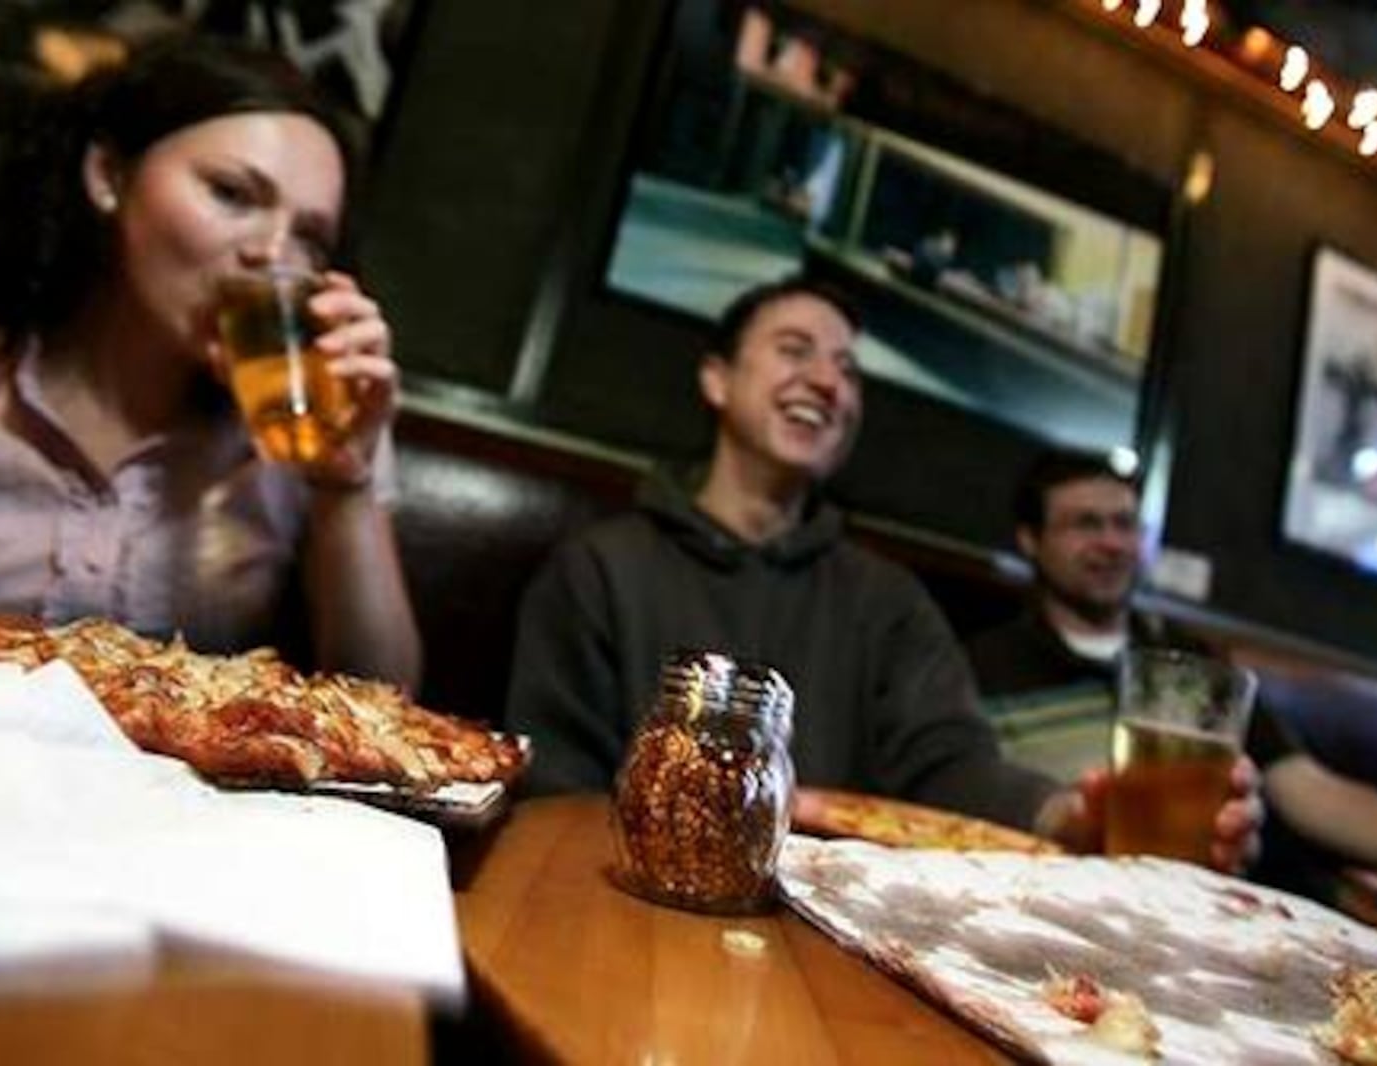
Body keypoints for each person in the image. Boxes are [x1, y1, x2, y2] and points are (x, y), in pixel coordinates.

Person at [506, 276, 1259, 868]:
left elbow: (951, 767)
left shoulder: (885, 599)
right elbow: (552, 794)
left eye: (846, 368)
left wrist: (1075, 815)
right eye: (795, 349)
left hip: (836, 932)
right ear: (716, 379)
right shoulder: (602, 568)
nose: (830, 383)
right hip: (627, 901)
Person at [0, 36, 421, 690]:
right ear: (109, 176)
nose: (273, 253)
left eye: (309, 236)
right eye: (231, 193)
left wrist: (346, 486)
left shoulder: (314, 412)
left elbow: (383, 698)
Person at [966, 448, 1377, 882]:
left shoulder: (1192, 663)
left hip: (1201, 911)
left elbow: (1311, 790)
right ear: (1030, 540)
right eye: (1085, 524)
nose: (1113, 542)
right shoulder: (984, 664)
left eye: (1125, 524)